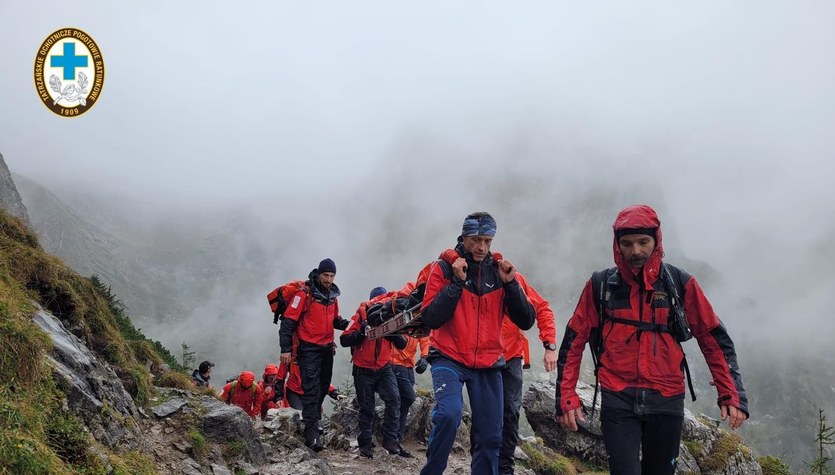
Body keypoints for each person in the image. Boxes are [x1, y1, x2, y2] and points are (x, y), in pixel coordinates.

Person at [555, 204, 749, 475]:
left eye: (643, 242)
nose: (635, 251)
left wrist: (730, 392)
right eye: (627, 243)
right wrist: (566, 396)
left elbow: (713, 338)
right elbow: (574, 340)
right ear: (617, 245)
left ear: (656, 241)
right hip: (617, 395)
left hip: (666, 396)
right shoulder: (601, 285)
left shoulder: (680, 283)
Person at [419, 212, 536, 475]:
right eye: (475, 240)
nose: (481, 247)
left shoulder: (499, 272)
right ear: (463, 238)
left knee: (491, 435)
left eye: (487, 240)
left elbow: (526, 320)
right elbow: (431, 318)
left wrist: (512, 285)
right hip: (448, 356)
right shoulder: (444, 269)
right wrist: (457, 284)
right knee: (449, 415)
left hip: (489, 361)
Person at [278, 258, 350, 451]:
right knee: (310, 389)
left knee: (323, 385)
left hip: (327, 348)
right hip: (307, 348)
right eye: (325, 275)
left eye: (332, 275)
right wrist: (285, 349)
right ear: (319, 274)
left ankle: (314, 421)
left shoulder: (332, 296)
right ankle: (312, 436)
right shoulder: (304, 294)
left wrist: (350, 324)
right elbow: (288, 322)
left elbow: (334, 320)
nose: (328, 279)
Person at [340, 286, 410, 459]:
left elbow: (402, 344)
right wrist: (363, 333)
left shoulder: (391, 319)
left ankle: (390, 440)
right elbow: (344, 339)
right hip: (362, 369)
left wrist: (389, 332)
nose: (381, 307)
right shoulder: (359, 318)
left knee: (394, 399)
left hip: (383, 367)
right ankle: (365, 443)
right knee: (367, 407)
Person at [498, 273, 557, 475]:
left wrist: (550, 345)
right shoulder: (471, 278)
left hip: (511, 356)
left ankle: (505, 468)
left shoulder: (513, 278)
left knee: (510, 411)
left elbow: (541, 307)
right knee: (486, 413)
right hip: (482, 359)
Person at [390, 331, 430, 446]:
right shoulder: (397, 314)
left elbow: (425, 338)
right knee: (407, 397)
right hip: (394, 361)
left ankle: (397, 438)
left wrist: (424, 357)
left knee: (404, 402)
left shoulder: (417, 318)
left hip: (408, 364)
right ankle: (393, 436)